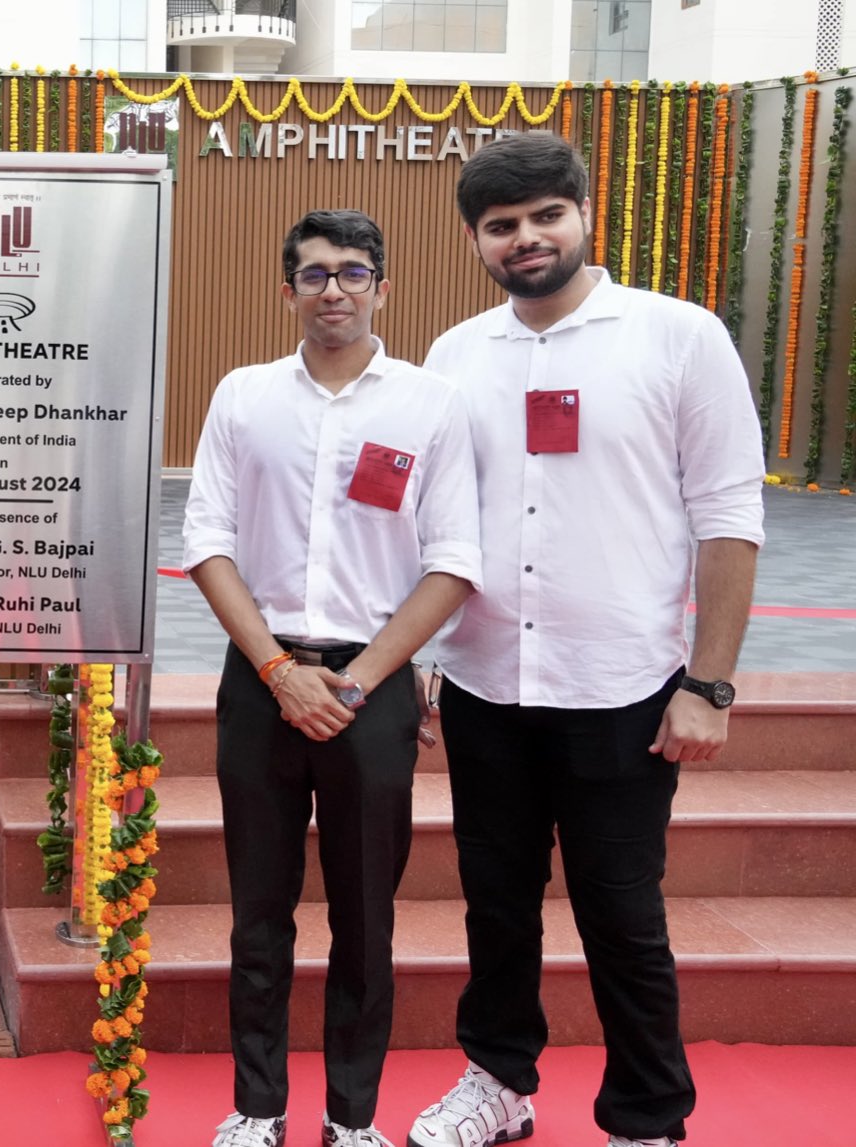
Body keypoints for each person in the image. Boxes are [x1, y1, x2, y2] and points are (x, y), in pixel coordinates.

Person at [405, 133, 764, 1147]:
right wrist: (421, 661)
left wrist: (709, 683)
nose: (524, 239)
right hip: (483, 685)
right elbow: (434, 519)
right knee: (495, 904)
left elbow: (728, 515)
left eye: (541, 216)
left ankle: (646, 1118)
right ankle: (497, 1083)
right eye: (499, 226)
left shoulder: (674, 336)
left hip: (621, 690)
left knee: (620, 915)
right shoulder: (455, 355)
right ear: (475, 241)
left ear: (581, 215)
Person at [184, 210, 482, 1147]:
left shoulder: (431, 405)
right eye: (314, 275)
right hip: (262, 681)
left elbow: (455, 561)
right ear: (289, 292)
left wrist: (355, 682)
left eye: (354, 273)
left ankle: (352, 1118)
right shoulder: (243, 396)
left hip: (374, 688)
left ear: (382, 288)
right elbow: (207, 543)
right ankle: (256, 1108)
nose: (335, 290)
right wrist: (278, 669)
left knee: (365, 917)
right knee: (259, 914)